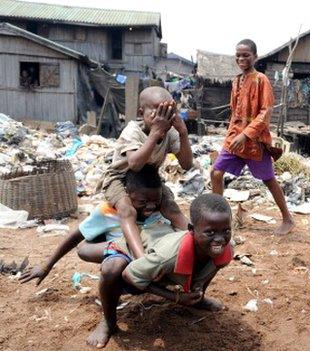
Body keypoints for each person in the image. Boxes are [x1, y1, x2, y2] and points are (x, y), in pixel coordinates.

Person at [86, 193, 234, 348]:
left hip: (159, 253)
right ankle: (108, 322)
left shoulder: (226, 248)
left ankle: (198, 299)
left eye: (226, 231)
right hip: (132, 254)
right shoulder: (167, 256)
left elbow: (211, 266)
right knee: (111, 271)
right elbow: (129, 275)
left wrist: (197, 292)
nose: (220, 239)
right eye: (210, 232)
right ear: (191, 229)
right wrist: (175, 297)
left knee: (212, 259)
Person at [19, 165, 172, 285]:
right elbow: (76, 236)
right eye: (143, 202)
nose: (151, 207)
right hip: (123, 265)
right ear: (127, 194)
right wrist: (47, 266)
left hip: (151, 266)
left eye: (156, 201)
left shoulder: (161, 211)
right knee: (115, 265)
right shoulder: (108, 211)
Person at [210, 39, 294, 235]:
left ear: (255, 56)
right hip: (234, 139)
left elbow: (265, 112)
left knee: (268, 179)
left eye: (246, 55)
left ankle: (288, 219)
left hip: (255, 142)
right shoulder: (236, 80)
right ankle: (219, 217)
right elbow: (234, 112)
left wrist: (247, 134)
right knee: (216, 172)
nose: (241, 58)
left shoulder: (261, 80)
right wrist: (231, 135)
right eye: (238, 55)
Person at [100, 86, 193, 260]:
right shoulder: (133, 131)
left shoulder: (170, 133)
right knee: (127, 211)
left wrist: (183, 132)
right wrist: (155, 133)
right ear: (141, 112)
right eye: (157, 110)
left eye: (168, 111)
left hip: (149, 178)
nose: (162, 117)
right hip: (121, 177)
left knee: (171, 207)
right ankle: (141, 259)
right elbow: (134, 164)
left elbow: (187, 164)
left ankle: (196, 241)